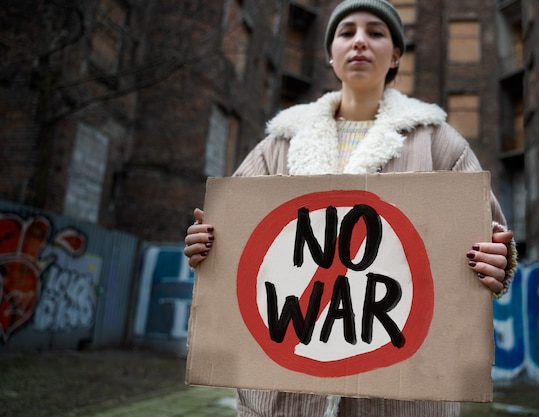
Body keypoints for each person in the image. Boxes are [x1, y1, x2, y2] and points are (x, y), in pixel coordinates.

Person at [184, 1, 517, 416]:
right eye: (346, 32)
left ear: (396, 54)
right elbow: (230, 233)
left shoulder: (438, 141)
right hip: (282, 399)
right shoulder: (280, 143)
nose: (360, 40)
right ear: (330, 52)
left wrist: (497, 262)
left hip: (400, 397)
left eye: (376, 32)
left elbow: (492, 235)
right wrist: (205, 246)